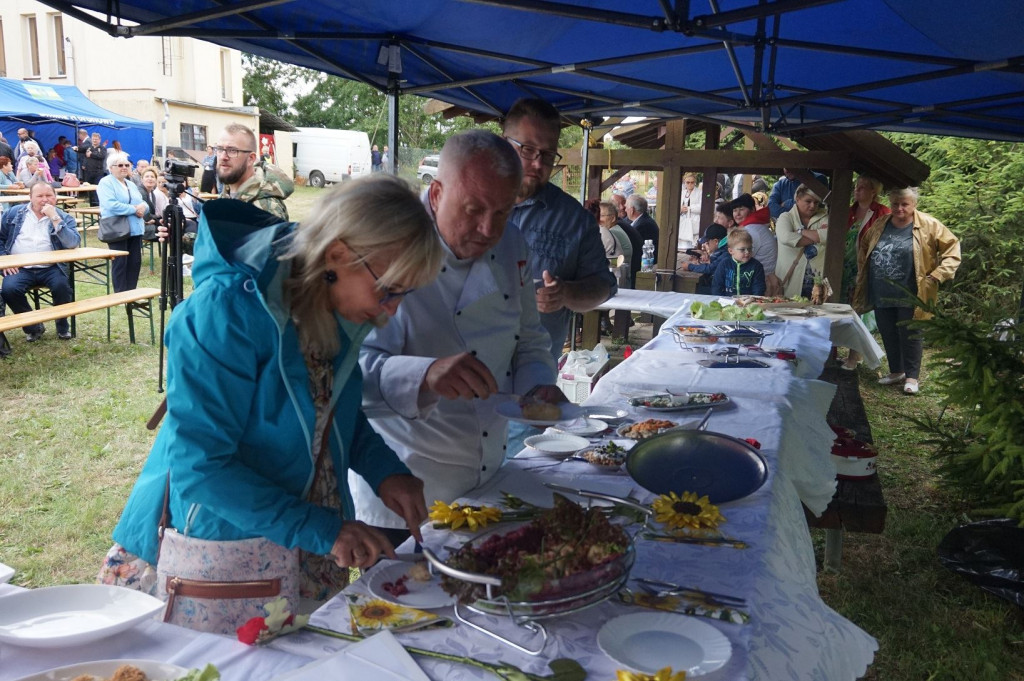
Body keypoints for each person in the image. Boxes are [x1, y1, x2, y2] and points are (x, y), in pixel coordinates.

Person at [101, 176, 442, 632]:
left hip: (301, 537)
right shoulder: (225, 313)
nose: (392, 310)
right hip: (223, 545)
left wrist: (386, 471)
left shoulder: (332, 304)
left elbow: (332, 411)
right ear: (339, 255)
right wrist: (322, 529)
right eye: (389, 290)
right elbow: (200, 468)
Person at [349, 131, 557, 539]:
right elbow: (349, 372)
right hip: (404, 482)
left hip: (489, 476)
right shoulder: (388, 245)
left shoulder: (513, 244)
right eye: (474, 209)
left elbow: (529, 339)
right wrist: (425, 375)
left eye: (502, 212)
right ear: (438, 192)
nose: (487, 228)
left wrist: (539, 388)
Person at [503, 98, 616, 359]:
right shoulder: (470, 202)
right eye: (528, 149)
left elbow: (603, 286)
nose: (538, 164)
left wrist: (565, 293)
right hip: (462, 372)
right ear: (503, 143)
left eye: (548, 154)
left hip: (532, 375)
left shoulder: (575, 220)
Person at [853, 187, 960, 395]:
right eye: (895, 204)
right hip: (881, 288)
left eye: (905, 204)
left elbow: (953, 249)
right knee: (888, 331)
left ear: (914, 205)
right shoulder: (881, 223)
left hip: (912, 290)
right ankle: (896, 371)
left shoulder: (929, 225)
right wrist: (863, 272)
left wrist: (938, 275)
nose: (899, 208)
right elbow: (865, 245)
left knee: (910, 333)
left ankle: (912, 377)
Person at [0, 182, 81, 342]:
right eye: (40, 196)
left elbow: (72, 243)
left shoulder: (63, 216)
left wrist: (54, 218)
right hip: (20, 268)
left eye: (49, 195)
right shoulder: (13, 214)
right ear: (30, 198)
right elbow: (0, 239)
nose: (45, 200)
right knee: (9, 289)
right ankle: (33, 327)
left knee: (62, 287)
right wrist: (5, 259)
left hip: (51, 267)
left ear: (55, 197)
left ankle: (62, 327)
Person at [841, 176, 890, 370]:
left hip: (865, 269)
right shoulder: (850, 211)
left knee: (857, 311)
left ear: (873, 192)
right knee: (845, 311)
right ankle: (848, 354)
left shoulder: (881, 213)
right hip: (845, 268)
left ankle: (856, 357)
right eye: (856, 187)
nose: (857, 190)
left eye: (862, 187)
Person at [216, 123, 293, 220]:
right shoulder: (226, 196)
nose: (223, 157)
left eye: (232, 150)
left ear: (251, 159)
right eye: (219, 149)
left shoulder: (265, 209)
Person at [97, 151, 146, 292]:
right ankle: (120, 294)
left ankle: (131, 292)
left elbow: (142, 202)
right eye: (120, 165)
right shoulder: (105, 183)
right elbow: (110, 204)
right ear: (111, 167)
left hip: (135, 229)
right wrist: (134, 209)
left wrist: (143, 208)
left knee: (135, 262)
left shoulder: (131, 184)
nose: (124, 167)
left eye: (127, 164)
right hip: (117, 229)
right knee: (120, 262)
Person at [774, 184, 829, 299]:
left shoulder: (825, 217)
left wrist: (800, 232)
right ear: (797, 199)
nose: (812, 206)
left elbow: (830, 236)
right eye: (808, 201)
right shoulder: (785, 217)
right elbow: (786, 238)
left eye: (816, 202)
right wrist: (816, 238)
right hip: (791, 280)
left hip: (819, 281)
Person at [731, 193, 779, 294]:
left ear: (752, 210)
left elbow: (739, 258)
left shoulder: (751, 230)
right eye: (735, 210)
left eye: (741, 209)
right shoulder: (754, 226)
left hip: (761, 282)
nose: (737, 214)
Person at [712, 229, 766, 296]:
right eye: (742, 249)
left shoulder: (756, 266)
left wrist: (754, 300)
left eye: (749, 249)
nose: (747, 252)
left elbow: (759, 288)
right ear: (731, 251)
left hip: (749, 302)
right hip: (727, 302)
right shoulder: (724, 264)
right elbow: (717, 286)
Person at [681, 223, 728, 294]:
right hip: (719, 286)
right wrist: (699, 263)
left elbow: (710, 268)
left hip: (723, 291)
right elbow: (712, 262)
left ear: (716, 242)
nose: (705, 245)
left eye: (707, 242)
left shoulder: (726, 253)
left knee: (692, 290)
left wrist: (689, 266)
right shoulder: (722, 251)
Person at [81, 132, 108, 204]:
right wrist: (84, 164)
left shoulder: (102, 148)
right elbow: (86, 157)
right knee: (89, 189)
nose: (94, 141)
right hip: (88, 172)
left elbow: (102, 156)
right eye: (93, 139)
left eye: (96, 139)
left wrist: (92, 154)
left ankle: (97, 203)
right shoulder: (89, 148)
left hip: (98, 172)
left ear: (99, 140)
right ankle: (91, 203)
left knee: (97, 188)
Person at [678, 172, 702, 247]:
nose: (690, 184)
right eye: (687, 182)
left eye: (692, 182)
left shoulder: (699, 193)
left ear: (695, 182)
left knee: (693, 245)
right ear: (684, 182)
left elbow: (701, 207)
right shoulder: (682, 193)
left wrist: (689, 208)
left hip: (694, 222)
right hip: (682, 221)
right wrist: (680, 208)